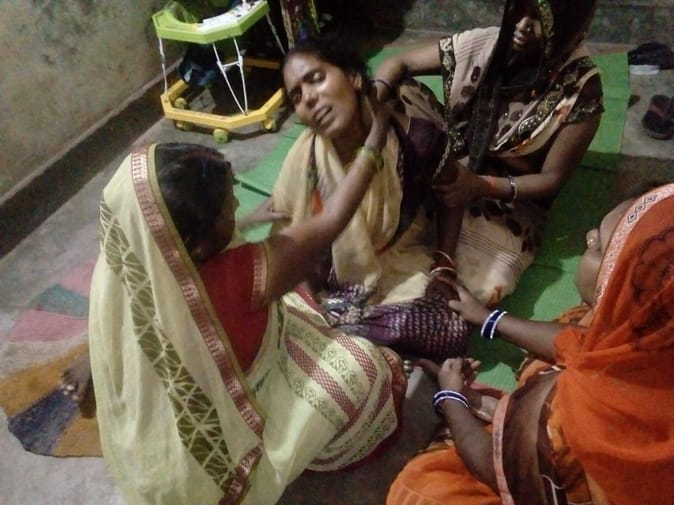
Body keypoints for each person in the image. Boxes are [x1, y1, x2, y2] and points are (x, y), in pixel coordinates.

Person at [88, 93, 408, 505]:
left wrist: (244, 222)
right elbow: (333, 218)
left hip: (174, 422)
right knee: (368, 368)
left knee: (296, 301)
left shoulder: (130, 261)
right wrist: (376, 136)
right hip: (238, 403)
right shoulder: (235, 278)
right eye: (228, 210)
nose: (239, 204)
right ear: (198, 245)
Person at [386, 182, 674, 505]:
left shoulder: (581, 419)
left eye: (599, 248)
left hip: (562, 468)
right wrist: (487, 319)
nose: (588, 236)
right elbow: (576, 343)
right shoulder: (656, 340)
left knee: (422, 488)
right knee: (581, 324)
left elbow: (496, 469)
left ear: (622, 287)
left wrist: (451, 398)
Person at [374, 0, 604, 305]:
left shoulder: (581, 90)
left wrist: (479, 185)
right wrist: (372, 101)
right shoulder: (488, 43)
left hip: (504, 194)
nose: (522, 26)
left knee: (479, 286)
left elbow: (551, 178)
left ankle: (435, 240)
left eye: (538, 20)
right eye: (519, 10)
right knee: (396, 98)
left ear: (567, 30)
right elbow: (399, 64)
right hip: (452, 146)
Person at [267, 37, 468, 362]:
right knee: (271, 318)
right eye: (297, 96)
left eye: (316, 79)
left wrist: (444, 265)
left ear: (354, 77)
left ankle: (345, 338)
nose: (310, 99)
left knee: (449, 331)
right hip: (319, 277)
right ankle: (347, 337)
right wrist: (311, 305)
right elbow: (288, 241)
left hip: (391, 265)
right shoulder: (305, 158)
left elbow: (453, 194)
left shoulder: (415, 140)